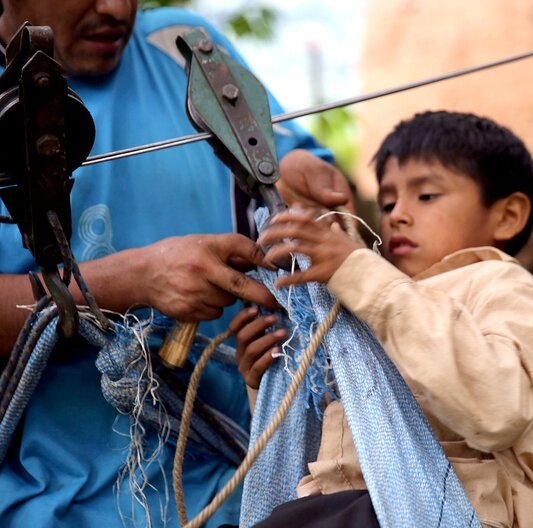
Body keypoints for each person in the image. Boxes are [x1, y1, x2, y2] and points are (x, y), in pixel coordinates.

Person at [0, 1, 352, 526]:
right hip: (59, 506)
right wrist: (132, 281)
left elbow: (285, 162)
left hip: (250, 487)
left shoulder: (187, 46)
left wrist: (296, 180)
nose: (116, 8)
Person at [233, 110, 533, 528]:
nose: (397, 213)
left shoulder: (505, 287)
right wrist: (271, 375)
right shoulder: (370, 298)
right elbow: (324, 425)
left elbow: (498, 408)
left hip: (452, 510)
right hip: (341, 507)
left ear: (506, 216)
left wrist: (366, 276)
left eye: (426, 196)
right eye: (387, 201)